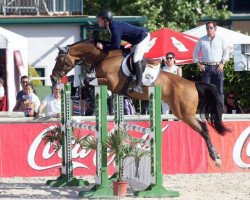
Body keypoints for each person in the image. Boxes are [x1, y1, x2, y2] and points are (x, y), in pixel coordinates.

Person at [96, 10, 150, 93]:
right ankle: (131, 80)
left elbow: (116, 45)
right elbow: (113, 43)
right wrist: (101, 42)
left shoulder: (114, 27)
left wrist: (104, 48)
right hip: (136, 41)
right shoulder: (111, 27)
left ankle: (139, 86)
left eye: (99, 19)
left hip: (142, 38)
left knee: (136, 59)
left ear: (105, 20)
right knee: (128, 56)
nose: (98, 21)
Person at [193, 21, 229, 106]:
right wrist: (199, 64)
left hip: (218, 67)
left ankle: (219, 112)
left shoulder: (221, 39)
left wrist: (222, 63)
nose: (209, 29)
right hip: (206, 68)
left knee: (219, 90)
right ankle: (207, 112)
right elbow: (195, 53)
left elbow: (226, 52)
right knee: (206, 90)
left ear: (215, 29)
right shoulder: (202, 40)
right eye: (207, 28)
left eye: (211, 28)